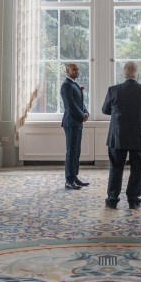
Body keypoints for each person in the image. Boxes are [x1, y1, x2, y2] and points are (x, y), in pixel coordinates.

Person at [102, 61, 141, 209]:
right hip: (140, 136)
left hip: (118, 136)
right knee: (137, 169)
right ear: (137, 73)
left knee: (116, 168)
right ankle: (133, 200)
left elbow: (105, 110)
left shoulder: (113, 90)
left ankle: (112, 199)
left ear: (124, 73)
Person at [60, 62, 89, 190]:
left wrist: (86, 112)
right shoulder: (66, 85)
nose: (77, 71)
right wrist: (82, 116)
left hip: (77, 122)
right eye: (74, 69)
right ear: (67, 71)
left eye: (77, 69)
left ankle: (75, 177)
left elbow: (80, 103)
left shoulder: (75, 84)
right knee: (71, 152)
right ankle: (68, 181)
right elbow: (71, 105)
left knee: (76, 151)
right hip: (70, 122)